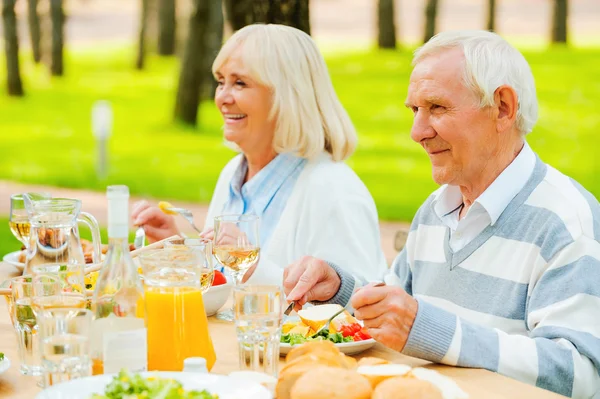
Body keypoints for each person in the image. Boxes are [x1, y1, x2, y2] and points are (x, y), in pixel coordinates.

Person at [283, 30, 600, 398]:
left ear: (503, 108)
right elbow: (401, 314)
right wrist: (341, 291)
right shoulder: (437, 208)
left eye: (437, 107)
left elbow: (580, 374)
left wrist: (438, 333)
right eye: (414, 110)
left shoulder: (566, 220)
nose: (417, 132)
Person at [131, 24, 387, 285]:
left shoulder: (334, 189)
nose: (221, 98)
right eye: (221, 82)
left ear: (288, 95)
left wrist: (253, 265)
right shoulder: (233, 173)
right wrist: (175, 249)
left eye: (240, 83)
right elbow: (222, 288)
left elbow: (357, 310)